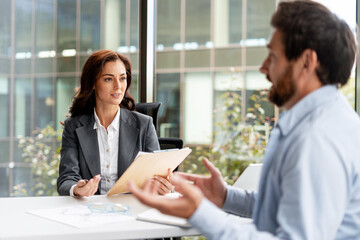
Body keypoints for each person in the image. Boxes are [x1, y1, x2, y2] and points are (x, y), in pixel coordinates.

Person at [129, 1, 360, 239]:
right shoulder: (320, 120)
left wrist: (199, 212)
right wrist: (226, 198)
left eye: (273, 56)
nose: (263, 68)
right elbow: (285, 206)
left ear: (306, 62)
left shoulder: (318, 137)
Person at [57, 50, 172, 196]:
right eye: (108, 79)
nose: (118, 86)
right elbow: (66, 179)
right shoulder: (73, 126)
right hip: (90, 212)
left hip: (131, 210)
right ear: (92, 83)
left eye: (122, 78)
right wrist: (76, 189)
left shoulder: (144, 124)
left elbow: (157, 176)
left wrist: (165, 187)